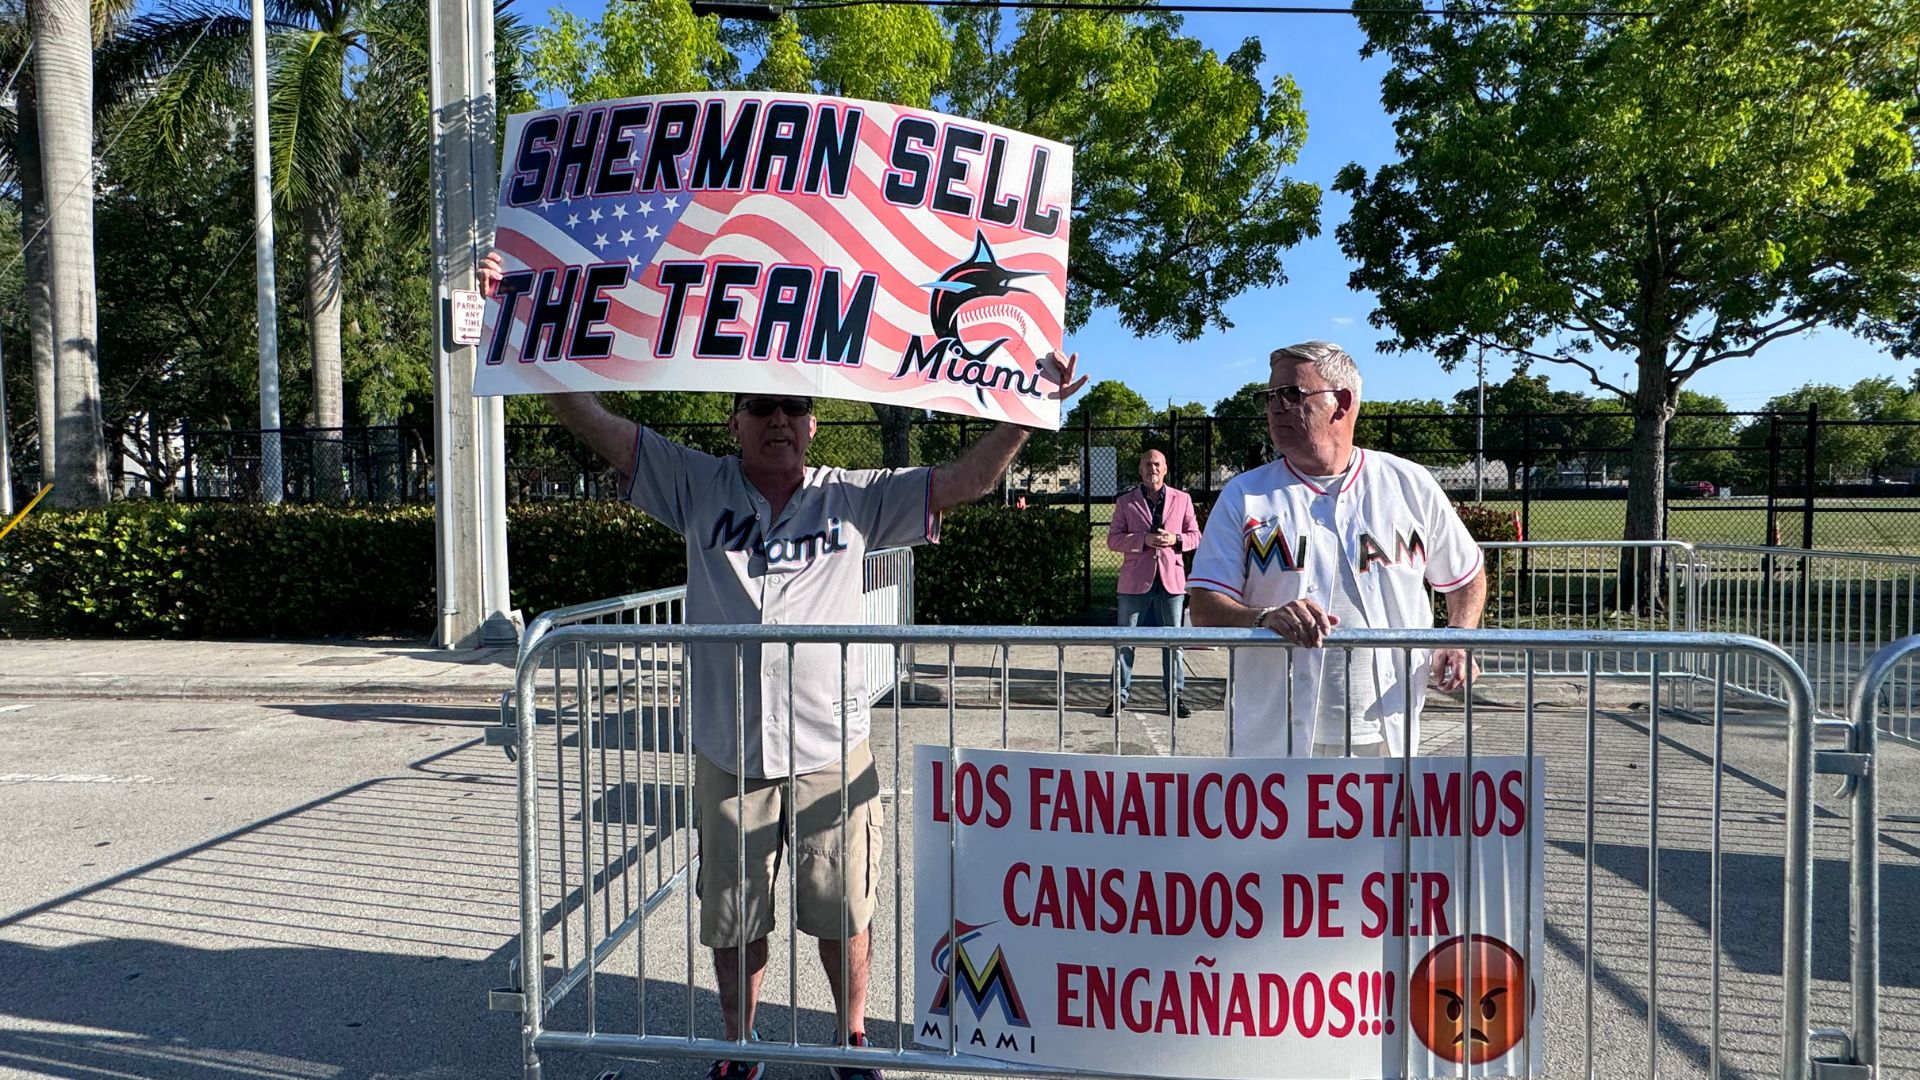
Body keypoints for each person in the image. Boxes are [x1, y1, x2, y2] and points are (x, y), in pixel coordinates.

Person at [481, 253, 1086, 1080]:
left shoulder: (855, 497)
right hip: (729, 751)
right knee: (733, 917)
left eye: (794, 407)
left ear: (812, 422)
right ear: (733, 420)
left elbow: (964, 481)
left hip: (832, 750)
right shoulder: (694, 484)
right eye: (761, 405)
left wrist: (1029, 412)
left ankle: (851, 1039)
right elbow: (589, 417)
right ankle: (739, 1044)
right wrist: (521, 325)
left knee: (842, 909)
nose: (778, 419)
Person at [1187, 341, 1486, 758]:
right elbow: (1204, 608)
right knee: (1285, 828)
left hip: (1388, 728)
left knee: (1385, 826)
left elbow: (1466, 574)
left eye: (1291, 394)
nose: (1275, 408)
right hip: (1276, 734)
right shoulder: (1246, 495)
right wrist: (1265, 617)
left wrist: (1458, 636)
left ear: (1342, 403)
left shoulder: (1408, 484)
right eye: (1268, 397)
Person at [1104, 449, 1201, 718]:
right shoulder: (1126, 502)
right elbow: (1113, 540)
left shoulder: (1183, 499)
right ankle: (1118, 697)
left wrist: (1176, 540)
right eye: (1147, 464)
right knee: (1125, 642)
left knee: (1174, 644)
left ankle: (1174, 697)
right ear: (1140, 469)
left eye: (1157, 464)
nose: (1152, 468)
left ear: (1165, 469)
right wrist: (1142, 541)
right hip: (1134, 582)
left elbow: (1196, 536)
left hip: (1171, 582)